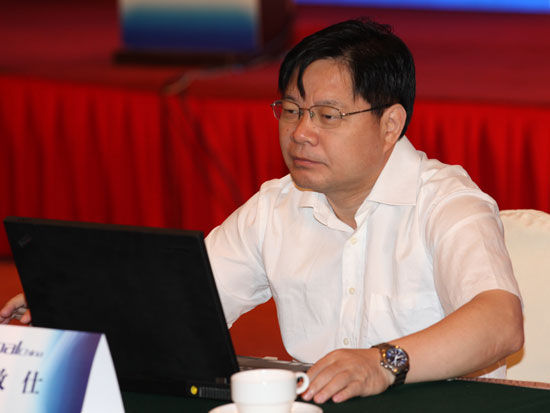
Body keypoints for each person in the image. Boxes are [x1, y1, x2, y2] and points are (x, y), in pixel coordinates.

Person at [1, 18, 523, 404]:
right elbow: (182, 301)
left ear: (390, 125)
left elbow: (500, 323)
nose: (301, 133)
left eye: (327, 115)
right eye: (291, 110)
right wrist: (72, 306)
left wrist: (382, 362)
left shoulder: (446, 201)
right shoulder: (276, 206)